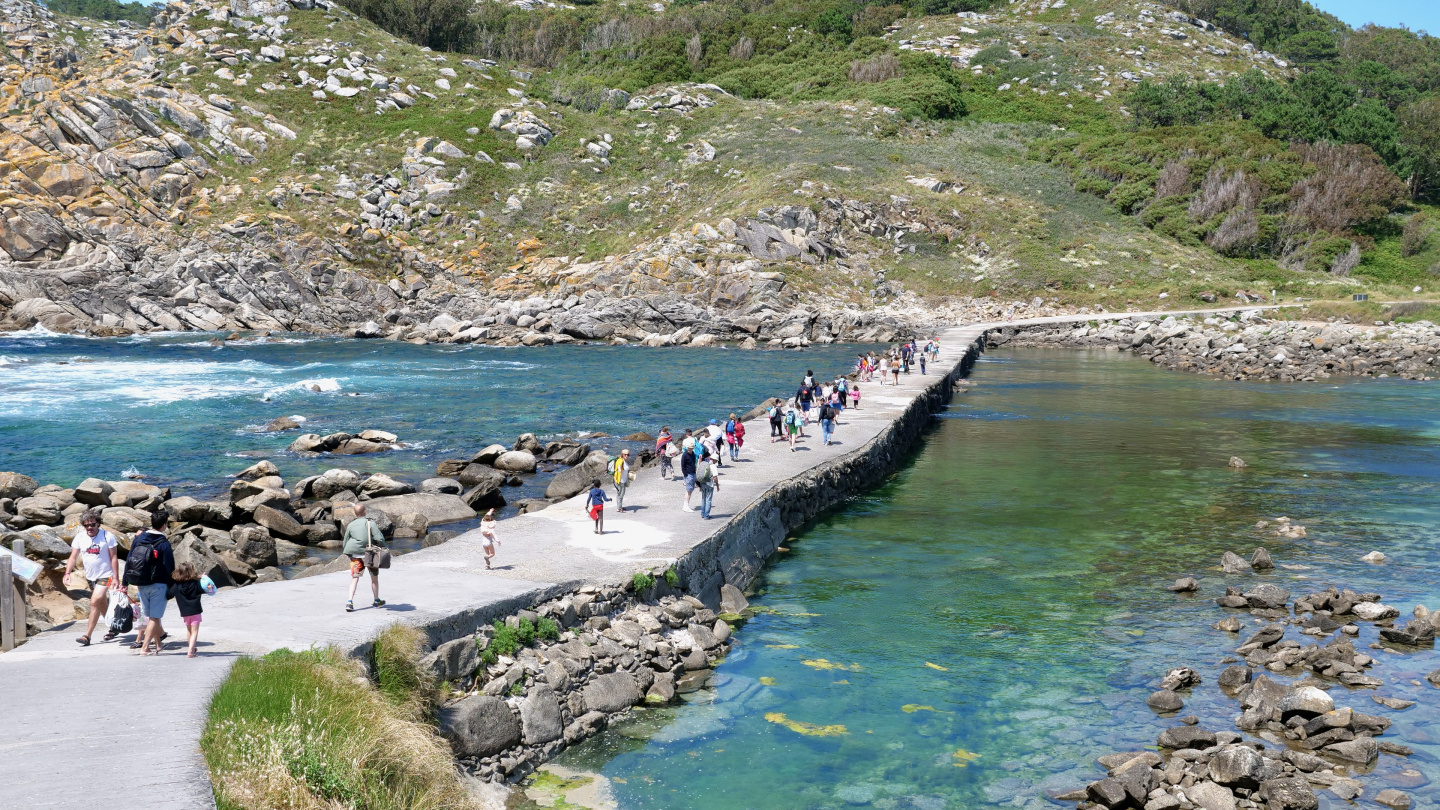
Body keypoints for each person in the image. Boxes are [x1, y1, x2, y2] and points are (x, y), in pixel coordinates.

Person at [63, 507, 122, 646]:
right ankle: (114, 627)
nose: (89, 527)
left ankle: (87, 636)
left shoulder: (108, 536)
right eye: (86, 525)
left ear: (98, 524)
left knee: (94, 602)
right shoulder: (80, 537)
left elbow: (114, 558)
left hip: (105, 575)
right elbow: (73, 557)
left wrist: (115, 577)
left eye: (92, 524)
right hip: (90, 577)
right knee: (102, 604)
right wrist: (67, 573)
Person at [124, 510, 174, 655]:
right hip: (158, 584)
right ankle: (145, 647)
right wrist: (172, 587)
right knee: (155, 617)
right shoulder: (164, 543)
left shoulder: (139, 539)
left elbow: (129, 560)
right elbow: (170, 567)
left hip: (141, 583)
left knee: (151, 615)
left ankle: (158, 645)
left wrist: (125, 582)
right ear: (164, 525)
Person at [342, 503, 386, 612]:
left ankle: (349, 602)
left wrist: (350, 554)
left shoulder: (351, 525)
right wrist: (383, 546)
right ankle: (376, 600)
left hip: (355, 555)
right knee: (374, 579)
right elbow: (379, 538)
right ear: (365, 512)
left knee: (354, 578)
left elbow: (345, 541)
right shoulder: (370, 522)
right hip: (370, 555)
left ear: (355, 513)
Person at [168, 562, 204, 658]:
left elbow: (169, 594)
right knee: (195, 632)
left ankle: (191, 648)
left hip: (184, 612)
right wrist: (203, 578)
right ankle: (190, 652)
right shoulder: (195, 583)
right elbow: (204, 589)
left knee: (189, 631)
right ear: (191, 572)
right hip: (195, 610)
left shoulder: (176, 585)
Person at [696, 448, 721, 519]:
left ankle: (702, 514)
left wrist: (699, 485)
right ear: (714, 460)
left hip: (703, 483)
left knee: (703, 499)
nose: (716, 462)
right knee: (708, 500)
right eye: (716, 460)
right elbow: (715, 477)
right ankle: (706, 515)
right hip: (709, 485)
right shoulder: (713, 466)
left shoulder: (704, 464)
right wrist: (717, 486)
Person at [680, 437, 699, 510]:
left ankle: (686, 505)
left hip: (693, 473)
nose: (690, 449)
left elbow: (694, 463)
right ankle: (686, 505)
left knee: (690, 490)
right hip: (688, 474)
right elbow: (682, 465)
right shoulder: (685, 455)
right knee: (689, 490)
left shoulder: (693, 454)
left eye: (691, 448)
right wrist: (685, 475)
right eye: (689, 448)